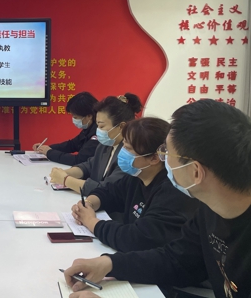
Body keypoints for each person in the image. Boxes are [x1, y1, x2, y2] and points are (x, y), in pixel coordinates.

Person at [63, 100, 251, 298]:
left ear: (196, 171)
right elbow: (177, 260)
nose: (163, 159)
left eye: (166, 152)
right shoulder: (210, 209)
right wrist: (109, 264)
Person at [70, 117, 198, 253]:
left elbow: (136, 238)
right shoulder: (137, 177)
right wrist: (88, 204)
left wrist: (90, 221)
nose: (122, 152)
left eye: (128, 148)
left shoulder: (171, 193)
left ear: (154, 158)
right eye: (123, 145)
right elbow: (110, 192)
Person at [50, 93, 142, 195]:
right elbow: (89, 166)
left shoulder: (129, 154)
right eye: (97, 125)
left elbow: (106, 189)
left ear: (122, 127)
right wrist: (65, 173)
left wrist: (66, 180)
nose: (98, 130)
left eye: (102, 126)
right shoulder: (105, 145)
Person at [32, 91, 99, 166]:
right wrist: (47, 148)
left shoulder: (98, 133)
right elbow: (72, 145)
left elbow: (78, 160)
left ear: (89, 116)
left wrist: (49, 152)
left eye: (75, 117)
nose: (73, 120)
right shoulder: (89, 128)